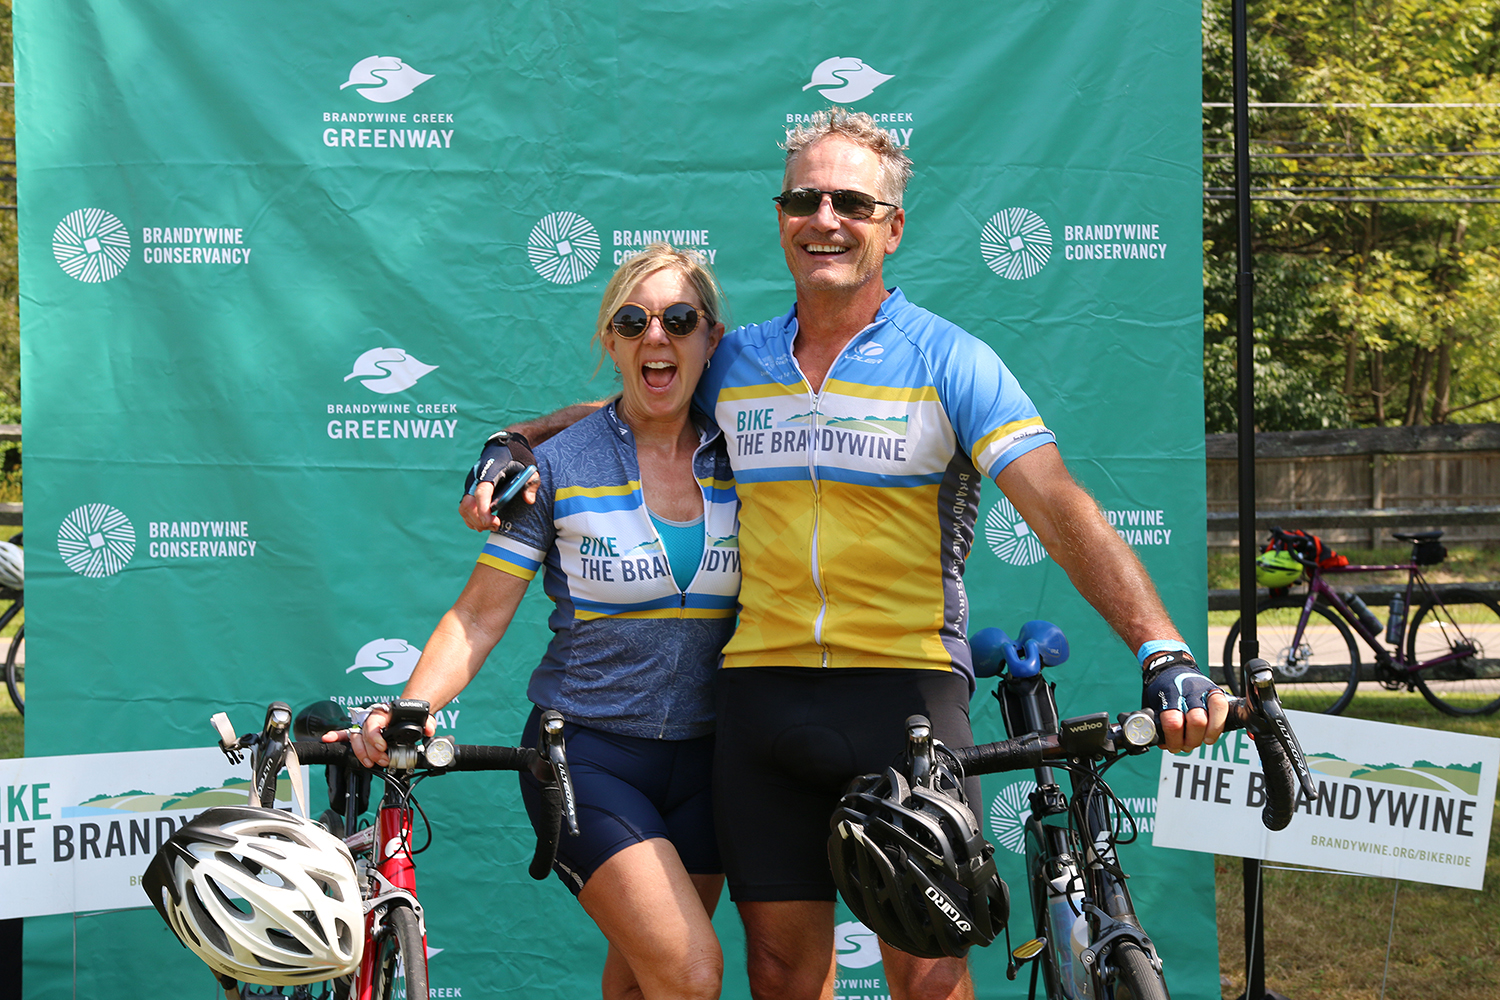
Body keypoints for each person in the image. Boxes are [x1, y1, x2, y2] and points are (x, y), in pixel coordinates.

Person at [461, 109, 1226, 1000]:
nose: (825, 217)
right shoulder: (734, 361)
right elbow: (631, 405)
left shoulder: (949, 361)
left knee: (930, 975)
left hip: (903, 695)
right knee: (783, 978)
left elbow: (1057, 504)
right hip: (760, 705)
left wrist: (1161, 648)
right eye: (804, 198)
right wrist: (514, 440)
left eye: (852, 202)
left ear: (891, 227)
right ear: (782, 217)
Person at [333, 244, 740, 1000]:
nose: (658, 336)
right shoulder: (559, 466)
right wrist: (413, 708)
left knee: (647, 979)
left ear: (710, 339)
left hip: (712, 760)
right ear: (610, 341)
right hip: (586, 757)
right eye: (633, 320)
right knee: (690, 973)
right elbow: (478, 615)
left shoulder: (742, 452)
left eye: (679, 319)